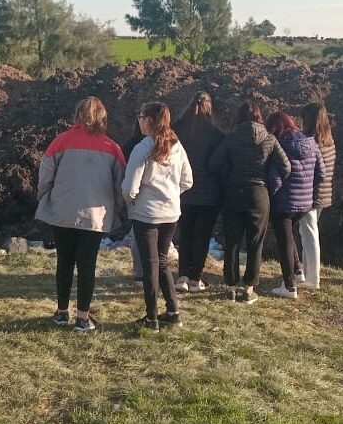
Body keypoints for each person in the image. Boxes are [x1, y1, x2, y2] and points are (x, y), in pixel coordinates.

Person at [36, 96, 126, 332]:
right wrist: (115, 209)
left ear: (77, 115)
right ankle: (83, 318)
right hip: (95, 216)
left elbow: (45, 175)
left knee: (64, 261)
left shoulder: (61, 141)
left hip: (63, 212)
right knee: (87, 265)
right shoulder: (112, 148)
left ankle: (61, 312)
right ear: (103, 118)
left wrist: (45, 198)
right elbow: (121, 185)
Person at [209, 100, 290, 304]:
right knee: (255, 242)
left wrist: (228, 177)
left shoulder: (230, 138)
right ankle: (249, 289)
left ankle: (230, 287)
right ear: (259, 117)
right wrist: (271, 183)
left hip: (233, 192)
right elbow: (286, 167)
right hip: (259, 193)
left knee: (232, 241)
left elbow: (214, 163)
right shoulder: (269, 139)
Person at [122, 102, 193, 331]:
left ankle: (151, 317)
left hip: (146, 215)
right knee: (162, 262)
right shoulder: (177, 146)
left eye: (141, 116)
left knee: (150, 265)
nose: (139, 120)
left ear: (149, 121)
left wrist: (133, 202)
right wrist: (171, 195)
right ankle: (173, 311)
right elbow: (187, 181)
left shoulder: (143, 148)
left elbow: (129, 186)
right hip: (171, 214)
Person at [266, 111, 323, 299]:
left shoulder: (278, 144)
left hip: (282, 203)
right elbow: (321, 173)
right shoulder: (310, 142)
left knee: (284, 243)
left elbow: (275, 176)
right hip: (305, 203)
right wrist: (308, 191)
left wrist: (270, 196)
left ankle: (289, 287)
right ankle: (297, 271)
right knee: (289, 236)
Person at [173, 92, 225, 293]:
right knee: (202, 237)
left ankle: (182, 277)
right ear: (209, 108)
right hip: (209, 195)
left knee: (185, 234)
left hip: (182, 192)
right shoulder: (216, 134)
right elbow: (219, 166)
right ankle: (196, 279)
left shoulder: (176, 131)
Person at [294, 102, 335, 289]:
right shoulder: (329, 140)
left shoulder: (309, 141)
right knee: (308, 233)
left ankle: (313, 279)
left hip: (309, 193)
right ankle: (307, 273)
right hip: (324, 193)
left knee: (309, 234)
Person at [121, 120, 147, 282]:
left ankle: (140, 272)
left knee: (138, 234)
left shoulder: (131, 144)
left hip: (134, 194)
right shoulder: (168, 144)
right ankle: (154, 272)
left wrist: (127, 196)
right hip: (159, 198)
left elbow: (123, 168)